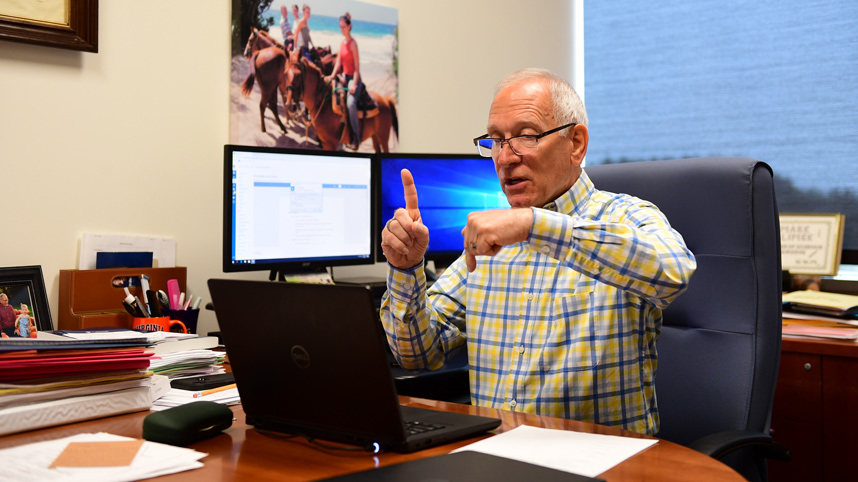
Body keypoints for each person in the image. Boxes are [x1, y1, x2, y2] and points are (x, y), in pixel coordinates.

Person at [379, 68, 697, 436]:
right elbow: (416, 353)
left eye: (526, 137)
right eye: (496, 141)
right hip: (495, 458)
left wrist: (536, 225)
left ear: (576, 143)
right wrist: (406, 270)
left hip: (600, 462)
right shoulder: (487, 245)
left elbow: (674, 272)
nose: (505, 157)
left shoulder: (626, 215)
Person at [325, 12, 363, 150]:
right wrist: (332, 75)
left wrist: (354, 83)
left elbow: (357, 67)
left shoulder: (353, 44)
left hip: (354, 78)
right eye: (340, 27)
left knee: (350, 103)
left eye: (344, 27)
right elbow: (338, 63)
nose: (342, 30)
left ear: (349, 26)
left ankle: (356, 138)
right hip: (344, 77)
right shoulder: (342, 43)